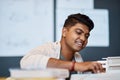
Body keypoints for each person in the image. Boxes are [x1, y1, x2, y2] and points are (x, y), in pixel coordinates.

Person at [20, 13, 104, 73]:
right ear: (64, 32)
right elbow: (25, 62)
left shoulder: (78, 57)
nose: (83, 38)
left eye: (86, 36)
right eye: (78, 32)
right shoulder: (48, 48)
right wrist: (74, 66)